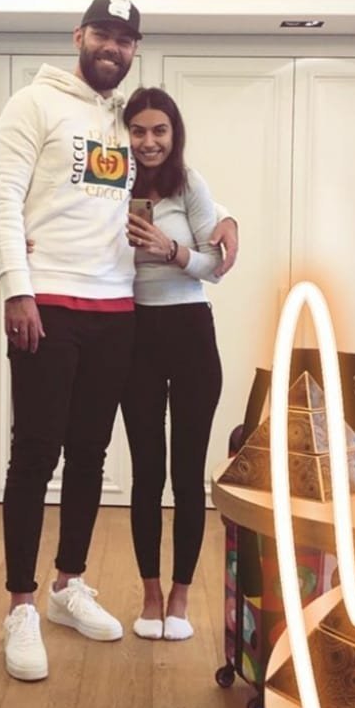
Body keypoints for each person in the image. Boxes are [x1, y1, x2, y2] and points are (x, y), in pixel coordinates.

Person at [0, 0, 238, 682]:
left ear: (134, 50)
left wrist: (227, 219)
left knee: (90, 455)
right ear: (79, 35)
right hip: (48, 303)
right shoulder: (32, 104)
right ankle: (20, 604)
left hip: (116, 310)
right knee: (35, 453)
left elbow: (171, 175)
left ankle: (68, 583)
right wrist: (15, 285)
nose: (112, 47)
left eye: (125, 39)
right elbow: (3, 198)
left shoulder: (122, 121)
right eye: (102, 33)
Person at [120, 87, 223, 642]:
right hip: (134, 334)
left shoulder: (190, 184)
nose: (149, 141)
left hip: (190, 334)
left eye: (159, 130)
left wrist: (171, 250)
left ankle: (181, 595)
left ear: (173, 134)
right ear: (125, 135)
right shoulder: (111, 184)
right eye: (138, 130)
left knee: (187, 473)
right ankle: (151, 594)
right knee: (146, 472)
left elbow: (216, 265)